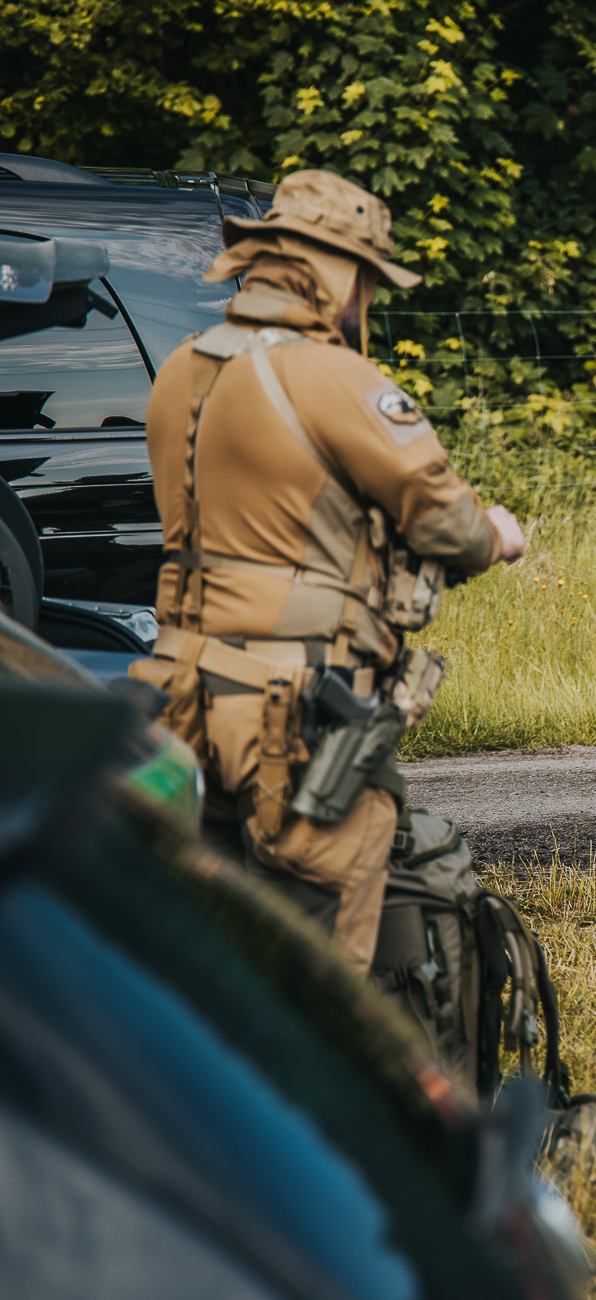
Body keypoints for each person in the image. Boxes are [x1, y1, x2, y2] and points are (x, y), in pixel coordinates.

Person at [131, 168, 524, 972]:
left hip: (178, 688)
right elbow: (446, 523)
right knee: (321, 951)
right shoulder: (333, 376)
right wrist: (499, 536)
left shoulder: (180, 368)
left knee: (204, 937)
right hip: (292, 706)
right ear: (338, 276)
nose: (367, 303)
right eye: (368, 283)